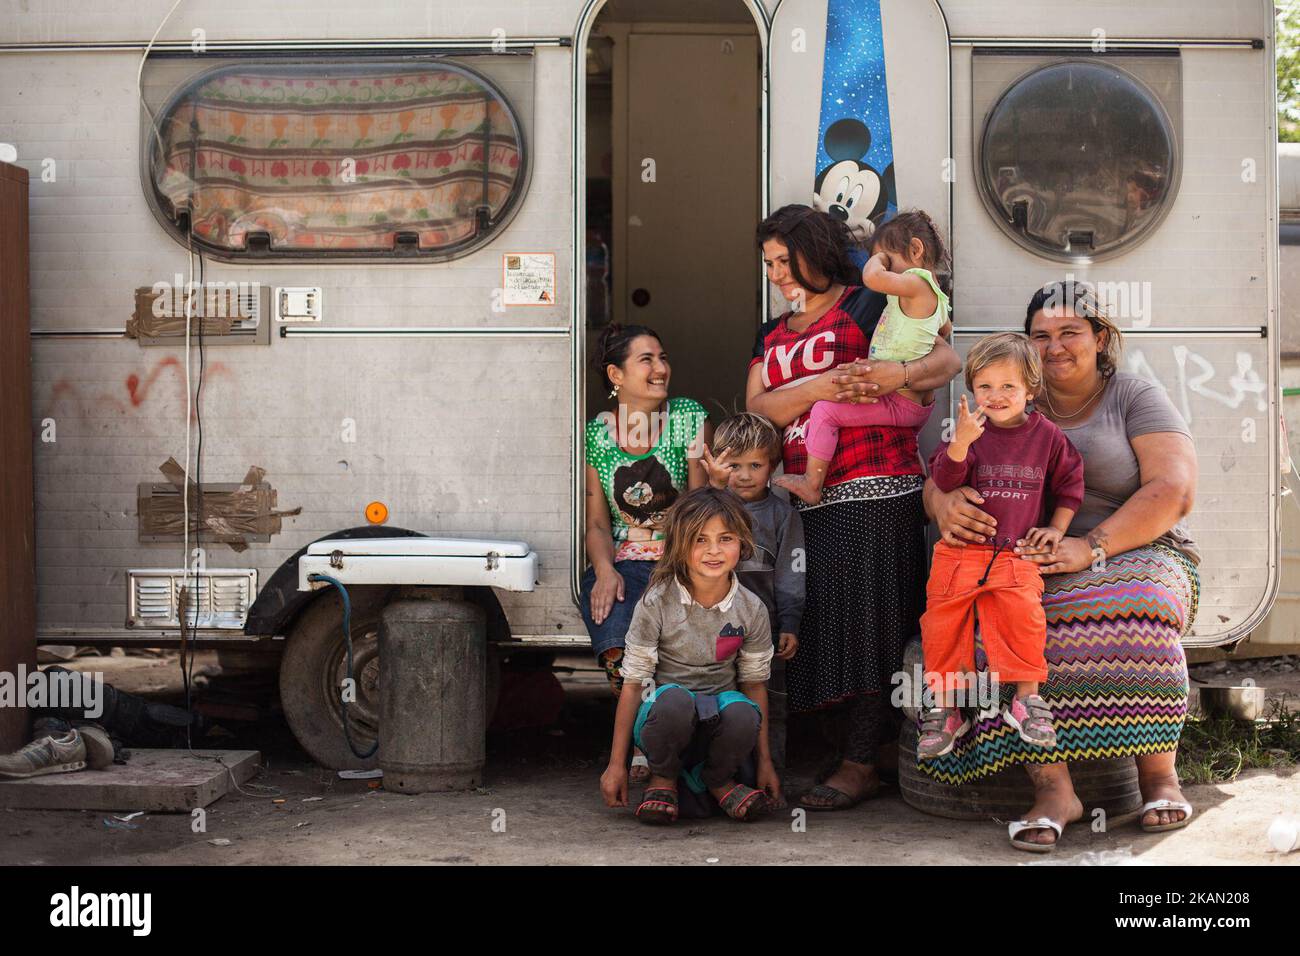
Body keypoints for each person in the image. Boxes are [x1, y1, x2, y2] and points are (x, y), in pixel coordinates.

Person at [923, 279, 1200, 852]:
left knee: (1133, 611)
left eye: (1070, 332)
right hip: (1023, 556)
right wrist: (944, 505)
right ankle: (1056, 791)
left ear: (1101, 339)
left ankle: (1158, 778)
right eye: (1040, 335)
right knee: (998, 626)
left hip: (1137, 550)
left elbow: (1173, 489)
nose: (1054, 346)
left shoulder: (1134, 396)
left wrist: (1089, 546)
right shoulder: (1007, 397)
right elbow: (942, 473)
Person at [748, 204, 962, 810]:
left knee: (872, 625)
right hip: (803, 496)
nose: (776, 274)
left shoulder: (867, 304)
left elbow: (945, 361)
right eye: (768, 264)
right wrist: (817, 389)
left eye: (784, 260)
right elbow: (758, 411)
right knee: (815, 628)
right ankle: (853, 753)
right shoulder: (770, 332)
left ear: (816, 253)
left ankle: (862, 761)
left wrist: (899, 373)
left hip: (877, 487)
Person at [917, 333, 1084, 759]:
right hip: (960, 552)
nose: (995, 396)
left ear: (1031, 389)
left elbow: (1069, 487)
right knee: (942, 618)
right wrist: (959, 445)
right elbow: (946, 482)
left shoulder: (1047, 437)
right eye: (985, 386)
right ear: (972, 389)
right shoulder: (969, 432)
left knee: (1024, 614)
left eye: (1008, 386)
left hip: (1016, 553)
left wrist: (1058, 530)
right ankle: (947, 709)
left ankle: (1026, 698)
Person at [598, 488, 778, 825]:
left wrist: (766, 763)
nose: (713, 550)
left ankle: (719, 779)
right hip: (663, 718)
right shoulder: (656, 603)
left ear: (742, 542)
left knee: (743, 710)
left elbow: (755, 685)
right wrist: (615, 765)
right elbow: (634, 683)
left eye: (725, 538)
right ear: (680, 545)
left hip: (717, 722)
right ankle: (662, 778)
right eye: (699, 540)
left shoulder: (751, 609)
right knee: (676, 701)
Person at [580, 323, 711, 782]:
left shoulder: (688, 417)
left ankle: (660, 750)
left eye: (663, 357)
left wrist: (685, 571)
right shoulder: (596, 434)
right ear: (615, 374)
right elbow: (597, 522)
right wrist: (603, 569)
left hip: (678, 562)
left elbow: (700, 507)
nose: (661, 369)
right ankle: (646, 735)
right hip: (623, 563)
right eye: (647, 360)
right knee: (623, 653)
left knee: (675, 654)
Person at [777, 210, 952, 505]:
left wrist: (878, 261)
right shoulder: (935, 298)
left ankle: (811, 482)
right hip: (914, 403)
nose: (883, 265)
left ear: (916, 250)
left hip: (900, 399)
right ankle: (919, 473)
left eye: (888, 258)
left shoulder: (918, 283)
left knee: (824, 411)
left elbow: (871, 278)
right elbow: (944, 330)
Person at [703, 412, 804, 797]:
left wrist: (790, 623)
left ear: (773, 465)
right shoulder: (709, 509)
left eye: (755, 465)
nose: (743, 475)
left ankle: (767, 775)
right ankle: (718, 779)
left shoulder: (783, 516)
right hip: (712, 629)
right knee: (717, 701)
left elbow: (791, 576)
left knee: (769, 704)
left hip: (765, 632)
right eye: (733, 466)